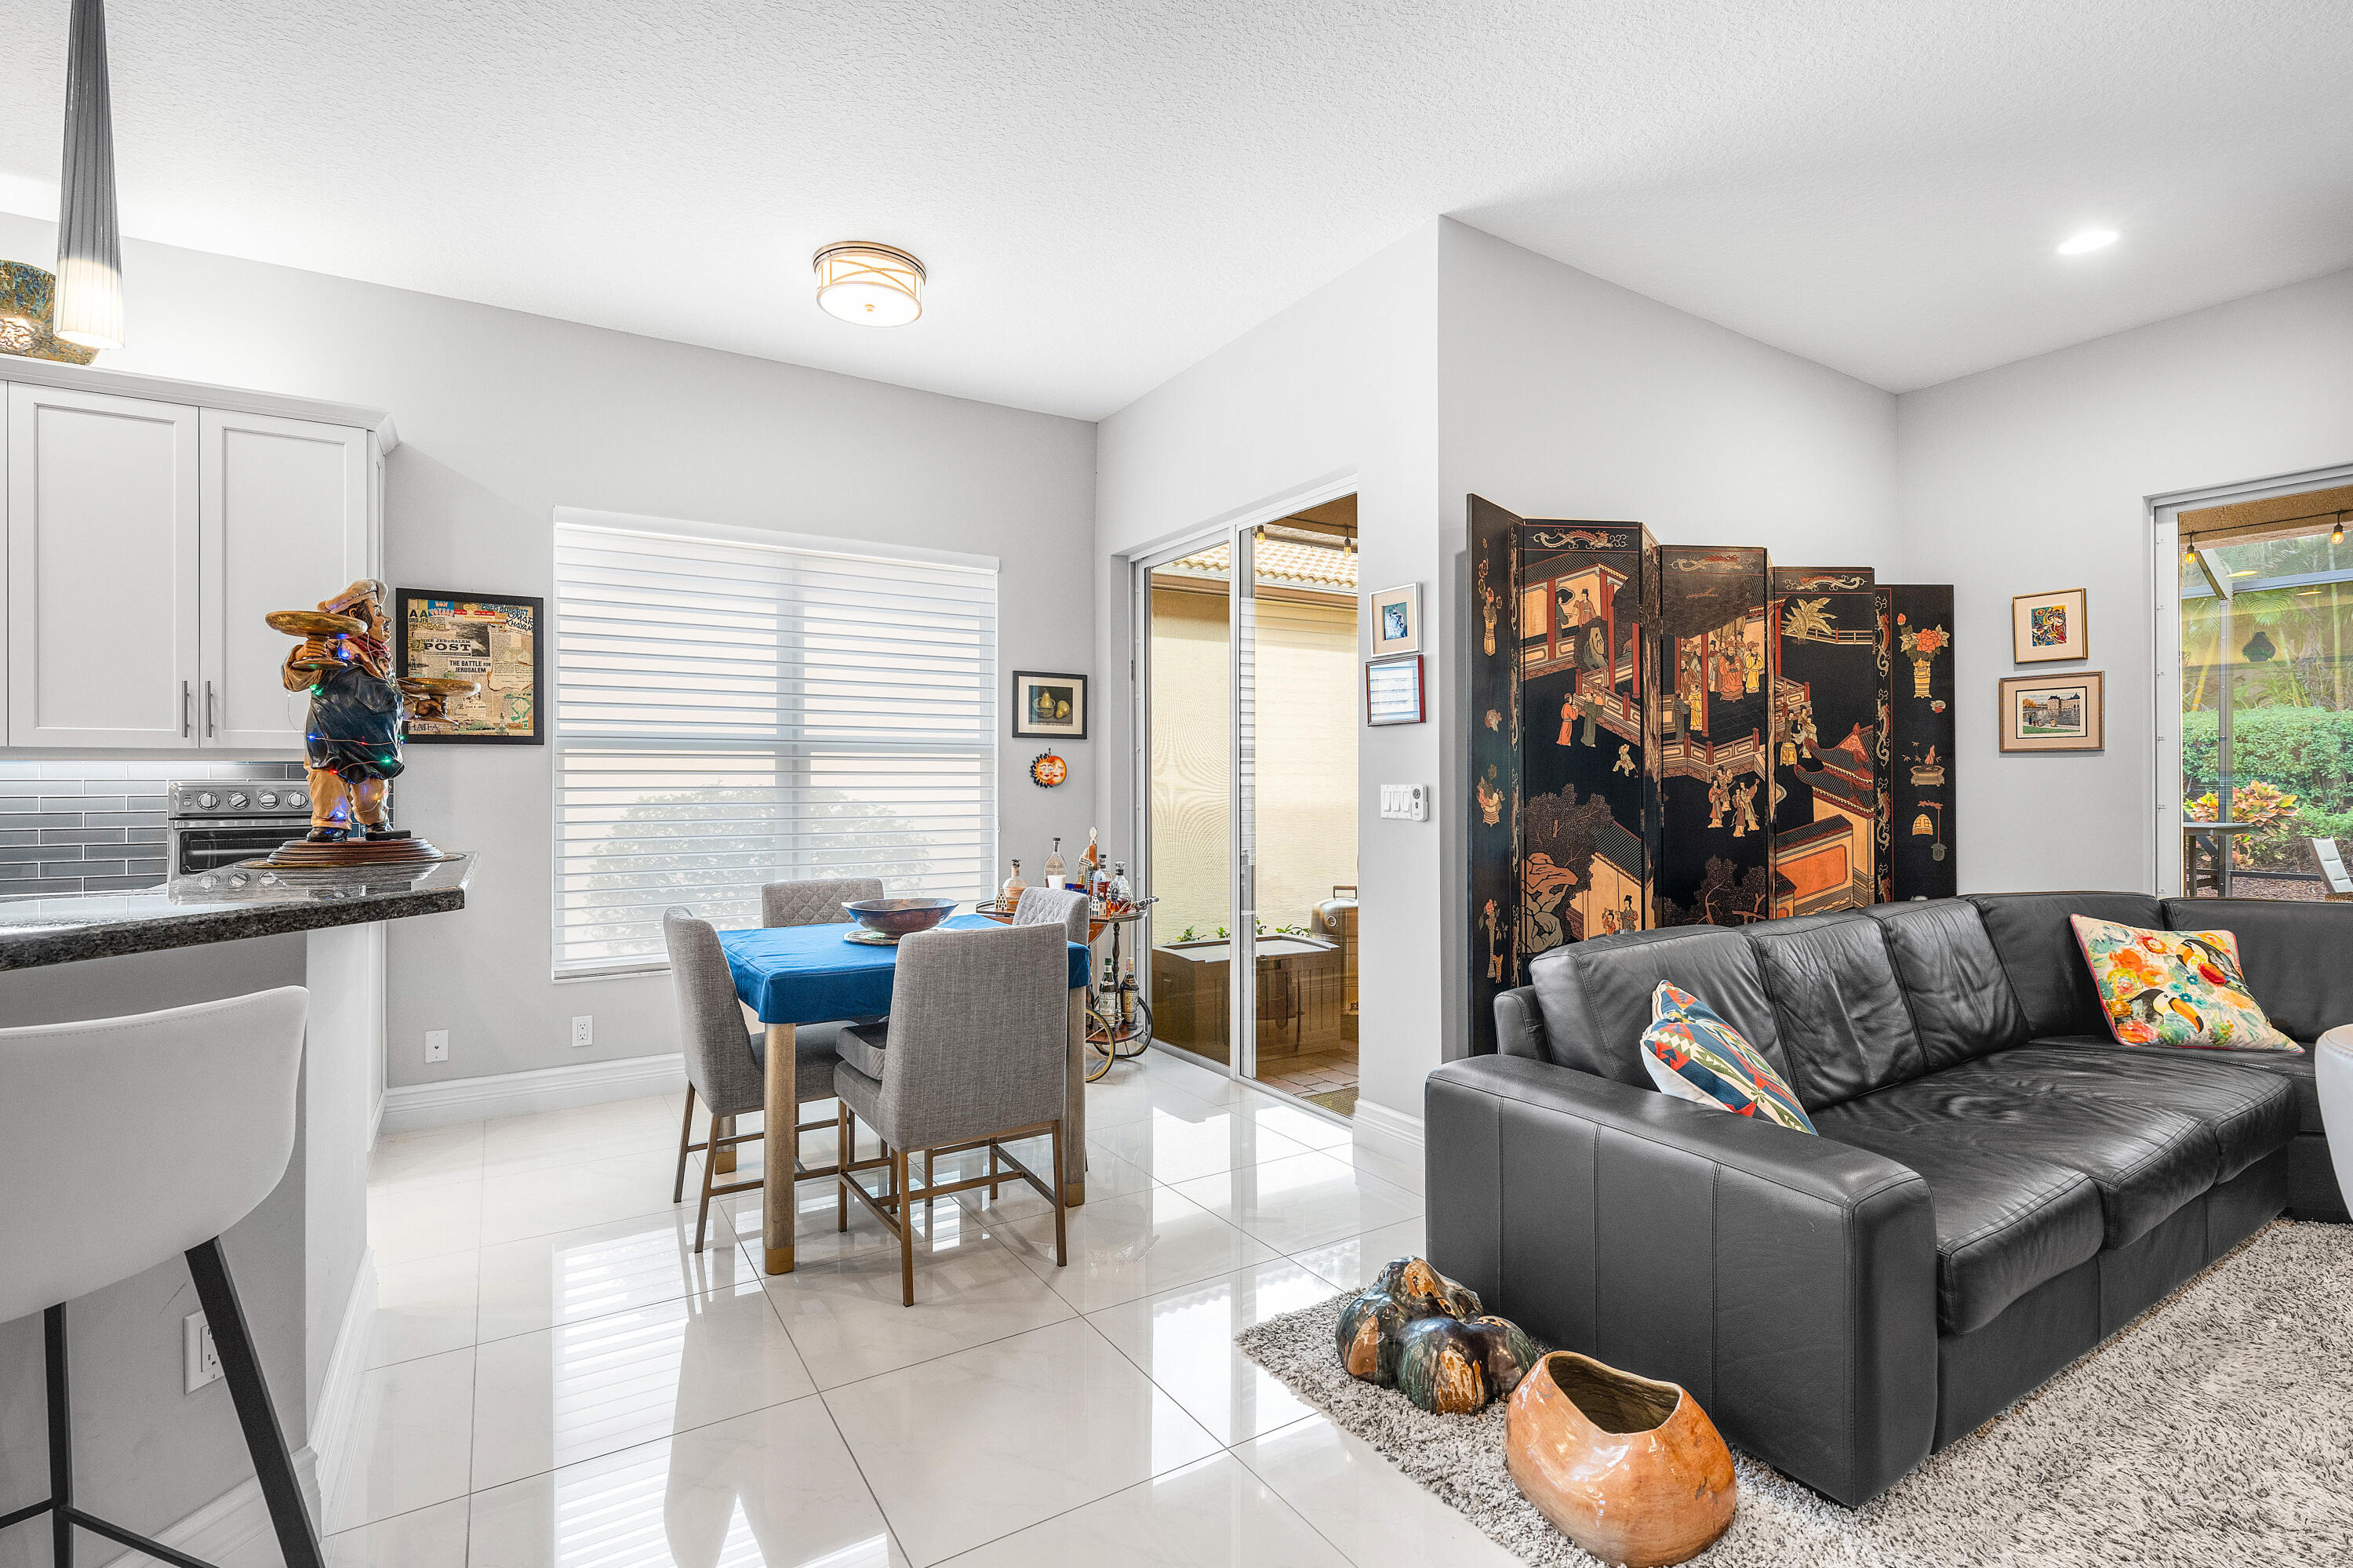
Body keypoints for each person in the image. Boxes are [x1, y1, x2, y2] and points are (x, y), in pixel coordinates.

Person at [282, 580, 406, 842]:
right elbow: (296, 680)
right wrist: (306, 654)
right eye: (377, 611)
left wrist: (419, 709)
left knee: (372, 791)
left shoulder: (382, 660)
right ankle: (330, 824)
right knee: (329, 784)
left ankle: (376, 823)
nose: (386, 618)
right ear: (354, 616)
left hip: (376, 745)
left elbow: (390, 703)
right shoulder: (334, 651)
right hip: (332, 740)